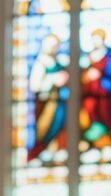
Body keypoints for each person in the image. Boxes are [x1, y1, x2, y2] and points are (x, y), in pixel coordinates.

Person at [79, 28, 111, 164]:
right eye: (93, 39)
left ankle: (106, 146)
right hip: (90, 95)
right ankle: (92, 146)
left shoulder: (109, 55)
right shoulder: (89, 55)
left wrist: (99, 76)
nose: (96, 42)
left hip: (104, 96)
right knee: (88, 117)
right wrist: (86, 76)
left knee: (103, 119)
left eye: (98, 38)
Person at [28, 33, 70, 164]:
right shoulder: (40, 62)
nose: (52, 48)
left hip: (59, 102)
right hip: (45, 103)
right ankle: (41, 151)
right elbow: (35, 86)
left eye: (55, 46)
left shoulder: (59, 61)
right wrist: (53, 79)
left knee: (60, 126)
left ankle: (55, 150)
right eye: (50, 45)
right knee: (45, 128)